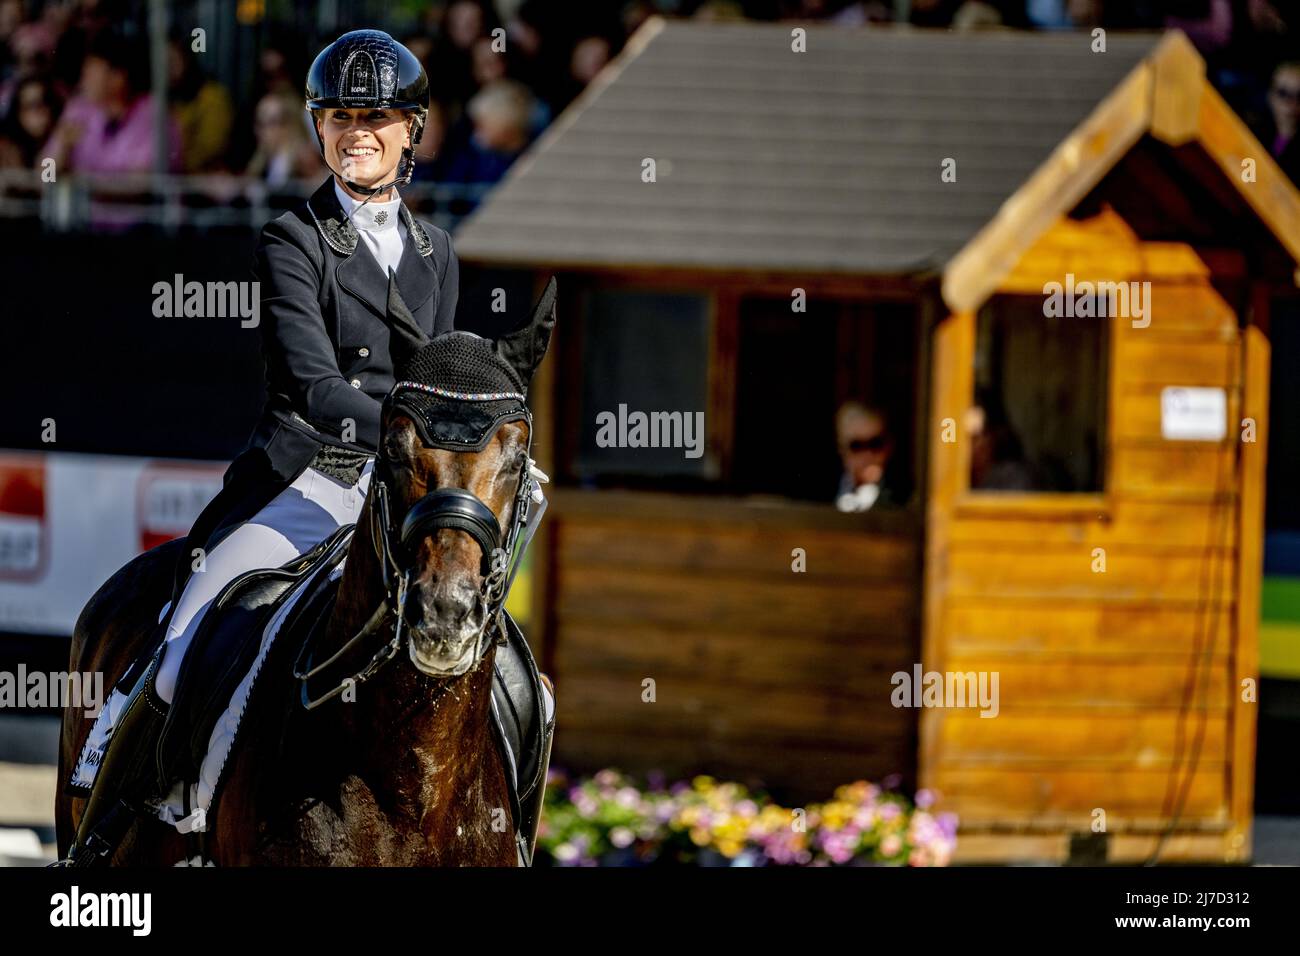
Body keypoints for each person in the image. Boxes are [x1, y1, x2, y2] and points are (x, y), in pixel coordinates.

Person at [60, 29, 459, 867]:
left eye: (378, 116)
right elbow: (314, 386)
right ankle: (113, 811)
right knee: (190, 630)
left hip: (398, 490)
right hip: (304, 482)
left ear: (410, 128)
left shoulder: (436, 252)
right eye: (341, 115)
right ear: (319, 128)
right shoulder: (293, 239)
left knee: (498, 660)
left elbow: (437, 374)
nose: (359, 132)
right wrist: (405, 429)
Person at [834, 401, 908, 512]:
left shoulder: (905, 500)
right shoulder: (821, 495)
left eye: (875, 444)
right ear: (841, 448)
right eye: (856, 446)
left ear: (889, 447)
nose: (867, 455)